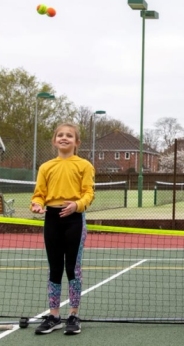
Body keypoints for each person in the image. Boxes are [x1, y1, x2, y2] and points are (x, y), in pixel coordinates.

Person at [30, 123, 95, 335]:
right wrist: (37, 204)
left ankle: (74, 315)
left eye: (69, 135)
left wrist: (76, 205)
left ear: (76, 142)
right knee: (54, 268)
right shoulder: (46, 167)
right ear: (54, 140)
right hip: (52, 219)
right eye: (60, 135)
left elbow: (88, 193)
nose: (64, 138)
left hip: (74, 220)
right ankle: (54, 316)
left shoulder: (84, 165)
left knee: (72, 269)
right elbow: (39, 194)